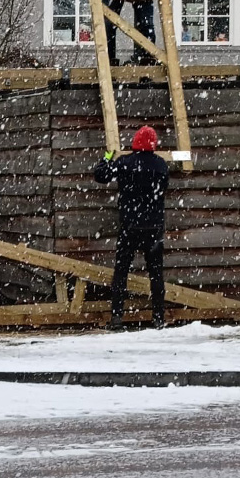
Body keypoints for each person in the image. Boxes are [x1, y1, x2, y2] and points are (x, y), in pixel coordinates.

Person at [94, 125, 169, 331]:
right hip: (153, 226)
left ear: (135, 142)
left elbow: (100, 175)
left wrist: (108, 156)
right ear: (154, 145)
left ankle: (117, 317)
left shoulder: (125, 163)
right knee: (156, 274)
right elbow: (163, 188)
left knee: (121, 272)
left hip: (130, 225)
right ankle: (158, 318)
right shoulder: (161, 165)